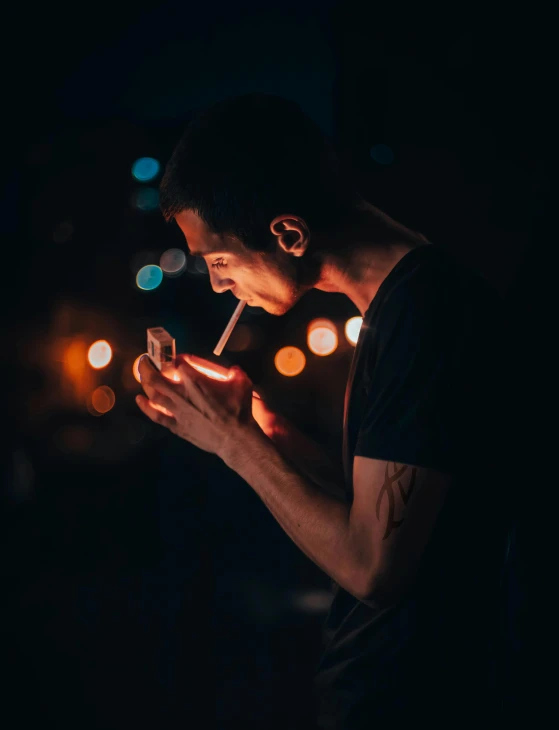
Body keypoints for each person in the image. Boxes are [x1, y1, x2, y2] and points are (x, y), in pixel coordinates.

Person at [136, 93, 511, 726]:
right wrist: (259, 421)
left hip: (419, 702)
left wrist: (235, 444)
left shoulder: (428, 314)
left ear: (288, 232)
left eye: (220, 261)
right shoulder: (394, 309)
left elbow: (373, 567)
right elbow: (368, 500)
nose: (220, 285)